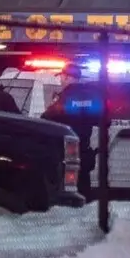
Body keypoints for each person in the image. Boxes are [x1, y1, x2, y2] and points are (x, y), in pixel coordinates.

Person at [41, 63, 94, 195]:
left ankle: (70, 209)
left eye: (62, 77)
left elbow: (47, 116)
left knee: (68, 185)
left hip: (67, 148)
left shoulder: (65, 97)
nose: (60, 80)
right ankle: (86, 207)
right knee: (83, 183)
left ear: (66, 77)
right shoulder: (91, 97)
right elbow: (103, 119)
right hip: (84, 147)